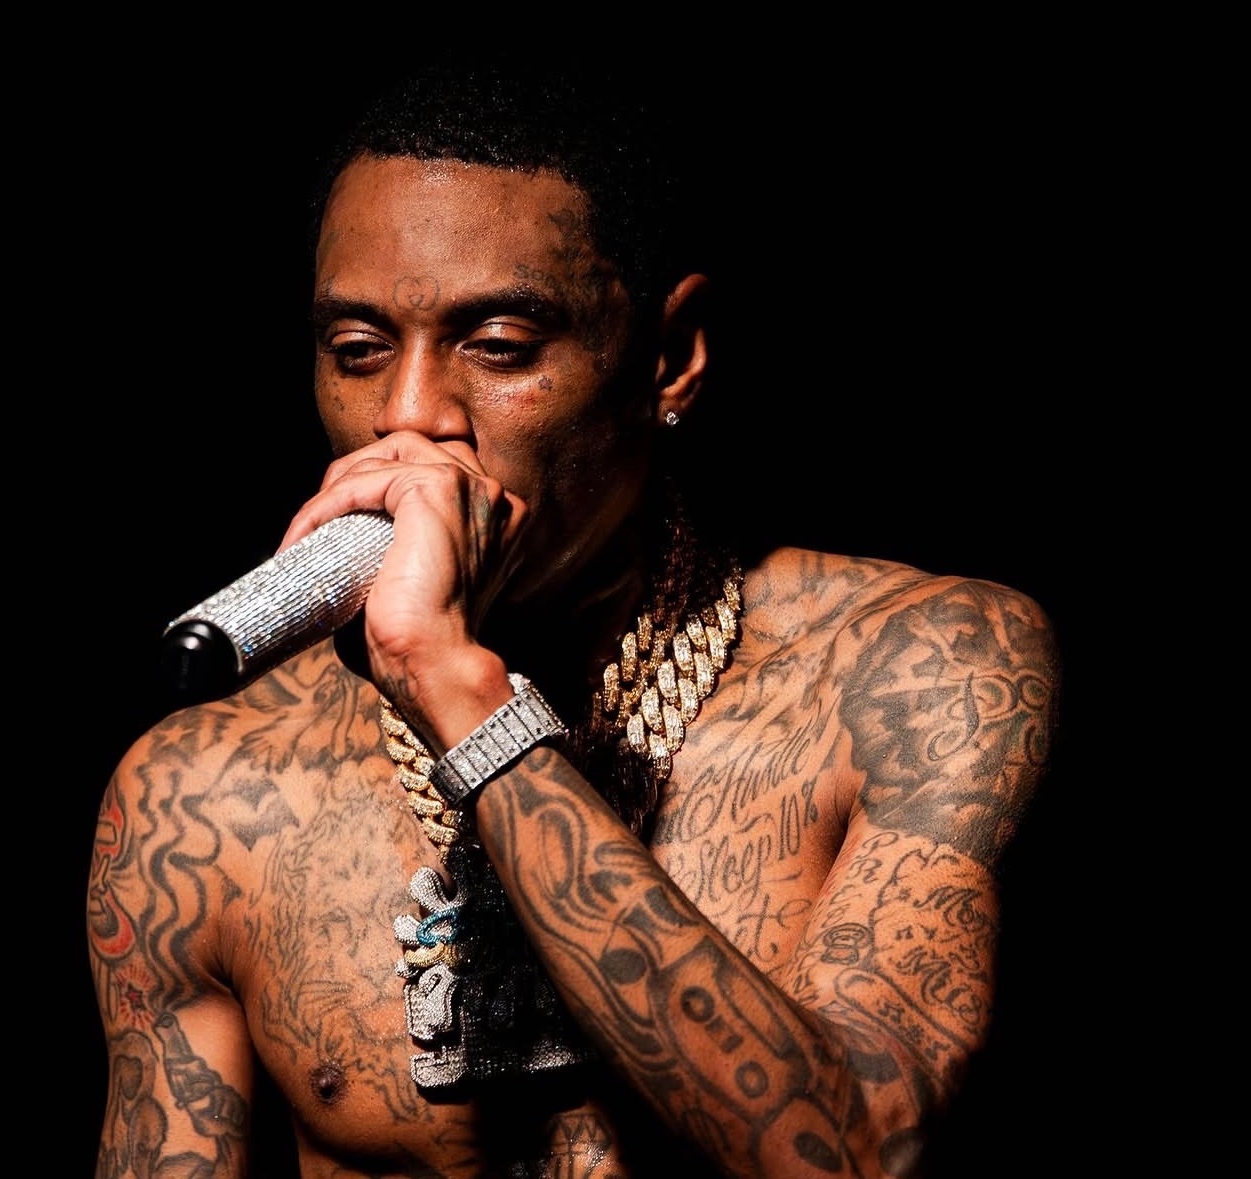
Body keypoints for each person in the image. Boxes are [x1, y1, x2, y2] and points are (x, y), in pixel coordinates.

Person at [87, 62, 1062, 1179]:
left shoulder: (917, 667)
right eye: (357, 352)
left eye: (499, 345)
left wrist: (458, 691)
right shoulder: (204, 794)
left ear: (668, 358)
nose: (409, 415)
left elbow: (855, 1152)